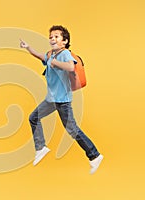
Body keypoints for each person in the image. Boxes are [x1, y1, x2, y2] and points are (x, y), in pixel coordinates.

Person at [20, 25, 103, 174]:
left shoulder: (64, 54)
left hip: (62, 101)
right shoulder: (51, 54)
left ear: (64, 41)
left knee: (72, 129)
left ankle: (95, 155)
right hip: (51, 99)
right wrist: (28, 48)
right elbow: (40, 56)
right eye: (51, 36)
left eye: (56, 36)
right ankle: (41, 148)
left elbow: (71, 67)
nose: (52, 38)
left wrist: (55, 63)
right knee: (33, 118)